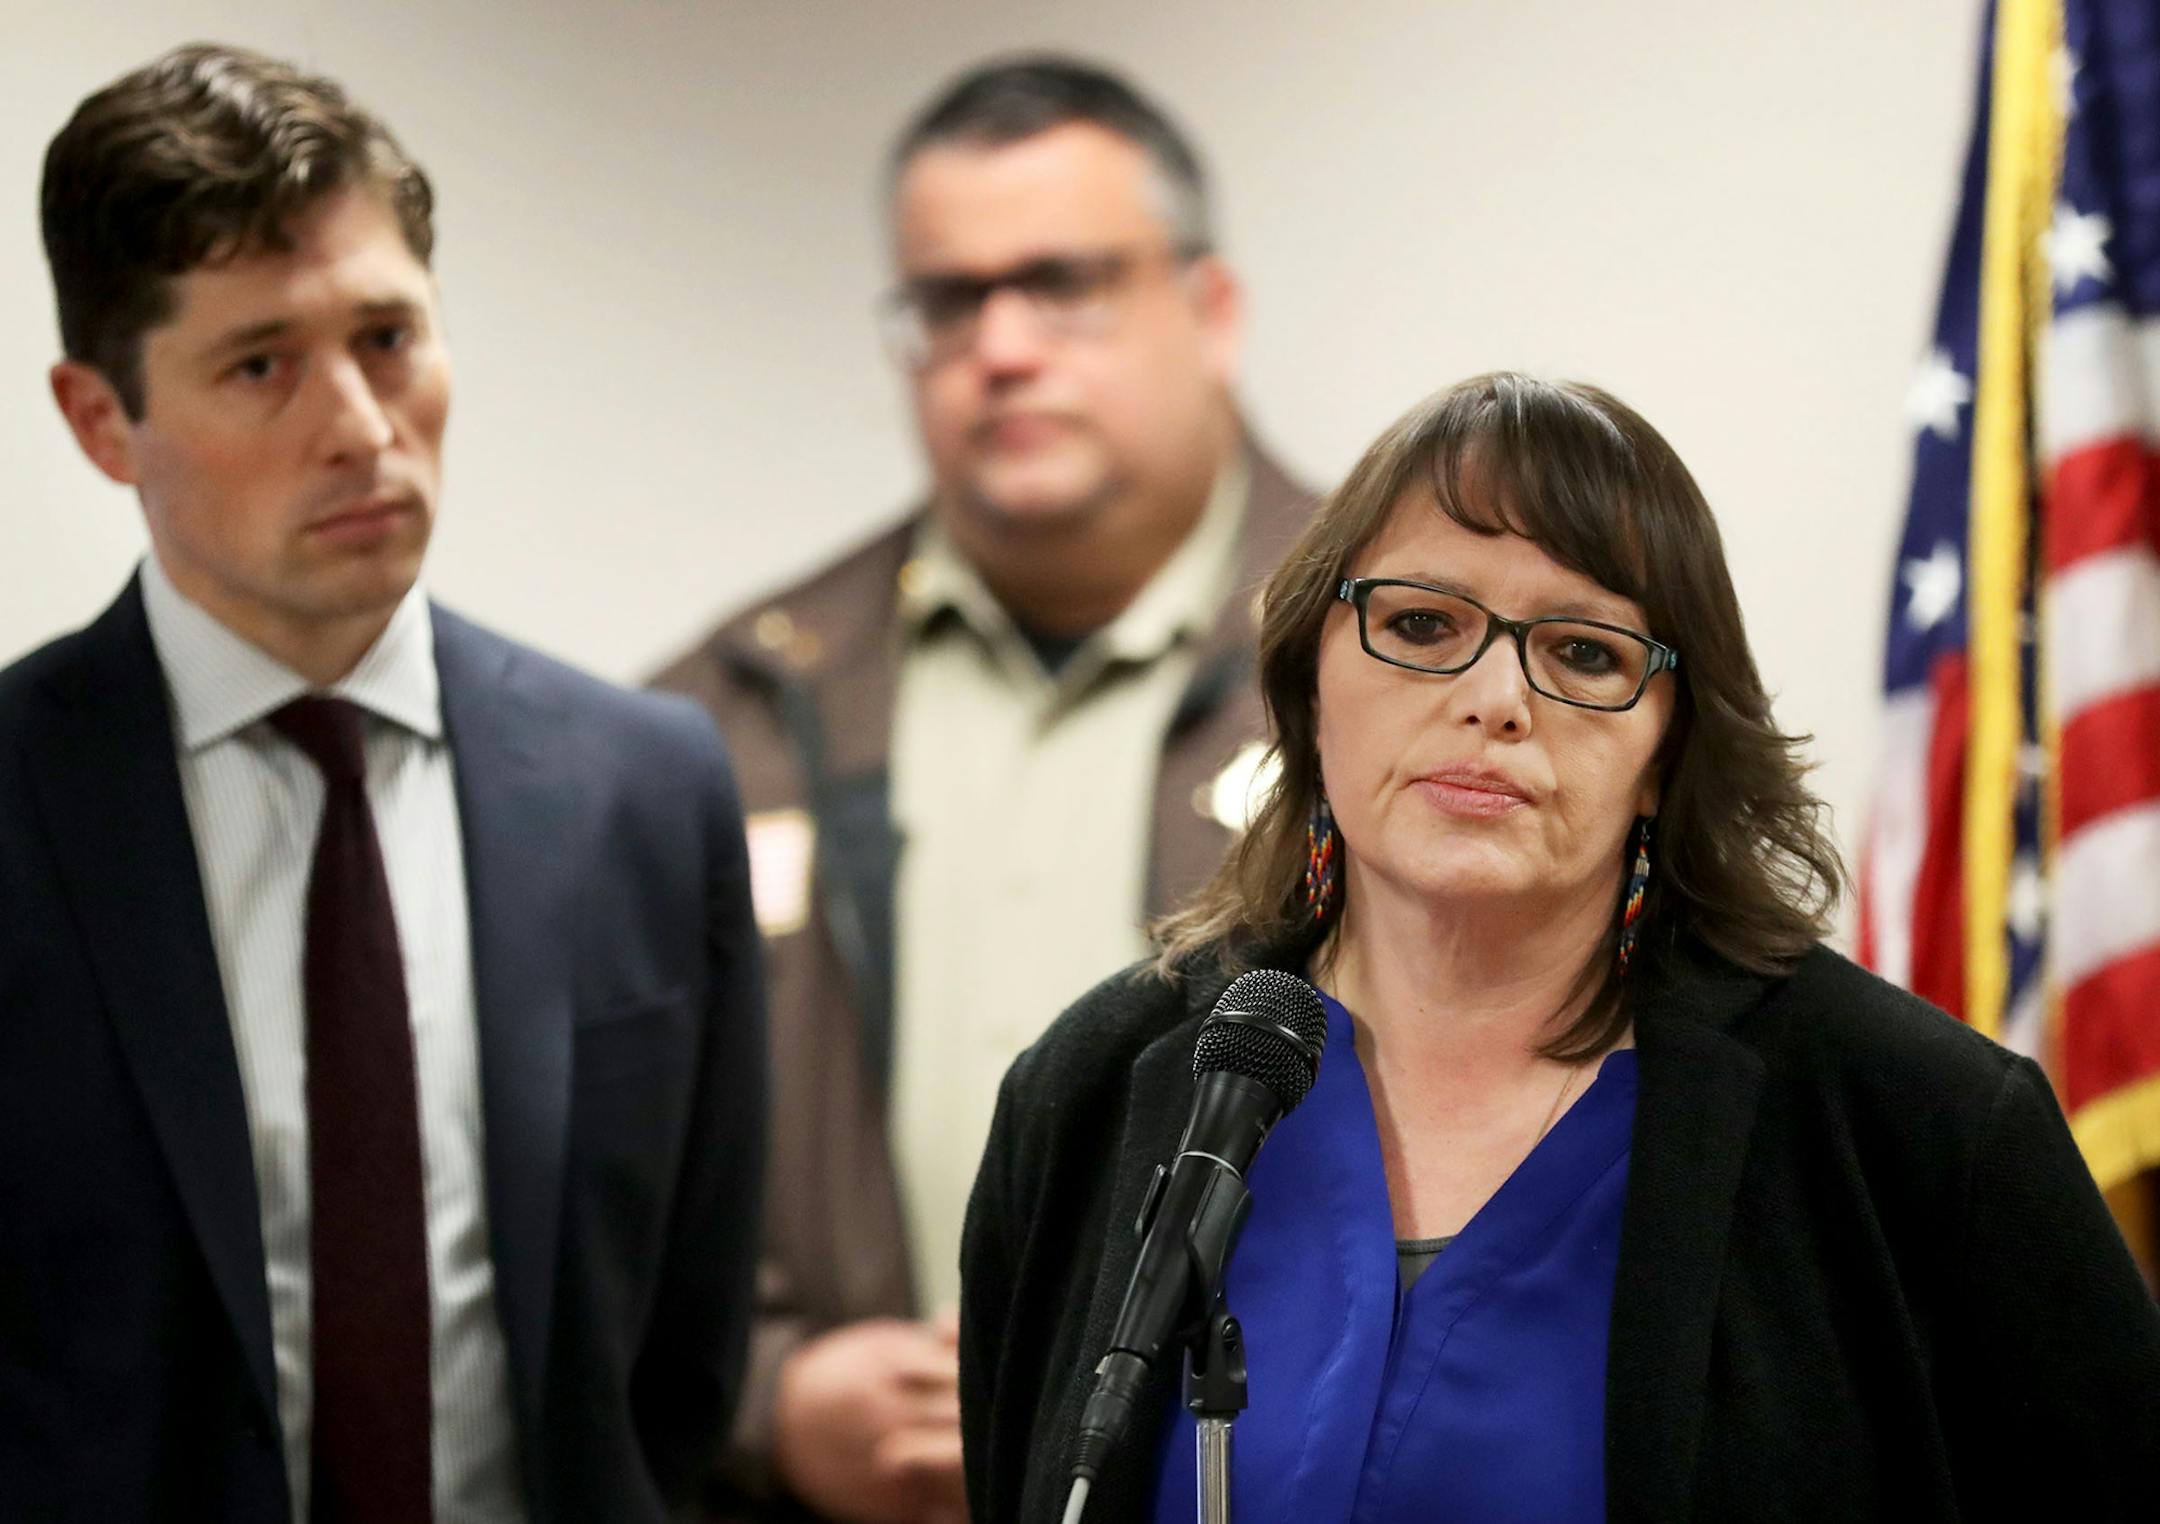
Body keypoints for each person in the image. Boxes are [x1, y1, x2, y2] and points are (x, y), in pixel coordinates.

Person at [957, 373, 2160, 1521]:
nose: (1495, 697)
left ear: (1669, 751)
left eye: (1585, 652)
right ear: (1308, 686)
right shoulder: (1099, 1089)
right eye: (1423, 624)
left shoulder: (1918, 1132)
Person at [0, 44, 766, 1522]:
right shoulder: (22, 801)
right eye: (262, 364)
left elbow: (677, 1363)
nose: (357, 425)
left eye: (389, 337)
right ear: (103, 421)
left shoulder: (647, 789)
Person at [655, 55, 1312, 1523]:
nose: (1001, 346)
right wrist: (767, 1397)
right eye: (948, 302)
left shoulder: (1403, 672)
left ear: (1211, 312)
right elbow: (583, 1192)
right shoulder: (728, 718)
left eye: (1064, 283)